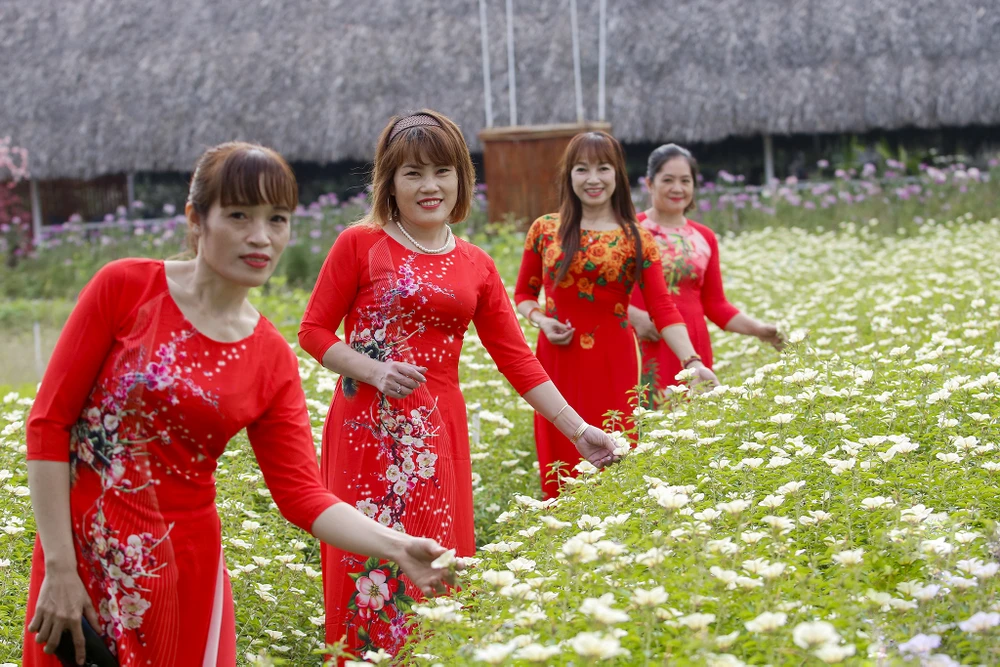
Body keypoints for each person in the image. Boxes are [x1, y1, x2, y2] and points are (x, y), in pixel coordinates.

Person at [23, 142, 454, 667]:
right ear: (195, 219)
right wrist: (60, 569)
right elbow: (48, 424)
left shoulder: (270, 357)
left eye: (277, 219)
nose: (260, 237)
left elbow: (303, 496)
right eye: (238, 216)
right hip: (76, 567)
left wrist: (397, 546)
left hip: (183, 578)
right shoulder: (125, 289)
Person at [298, 110, 619, 659]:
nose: (430, 186)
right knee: (365, 570)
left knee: (437, 570)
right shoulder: (359, 243)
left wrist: (578, 430)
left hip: (437, 433)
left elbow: (518, 360)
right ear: (390, 183)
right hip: (366, 434)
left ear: (462, 179)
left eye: (442, 172)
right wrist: (373, 370)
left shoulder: (476, 264)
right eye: (413, 173)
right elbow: (312, 331)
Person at [513, 131, 719, 499]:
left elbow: (662, 307)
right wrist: (542, 320)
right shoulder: (544, 229)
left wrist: (692, 362)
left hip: (615, 362)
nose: (593, 179)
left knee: (615, 458)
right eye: (582, 169)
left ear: (617, 174)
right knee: (560, 464)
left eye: (603, 168)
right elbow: (524, 295)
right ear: (569, 175)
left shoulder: (637, 238)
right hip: (556, 363)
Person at [629, 144, 783, 396]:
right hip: (643, 341)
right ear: (649, 183)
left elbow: (715, 304)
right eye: (667, 180)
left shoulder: (704, 237)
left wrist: (758, 329)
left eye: (685, 181)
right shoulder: (629, 230)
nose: (677, 188)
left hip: (692, 348)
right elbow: (602, 291)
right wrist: (634, 317)